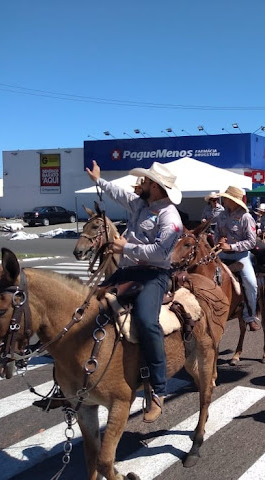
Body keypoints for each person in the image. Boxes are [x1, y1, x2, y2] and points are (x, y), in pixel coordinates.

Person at [87, 160, 183, 423]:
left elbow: (160, 253)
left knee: (145, 321)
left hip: (154, 274)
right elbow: (119, 195)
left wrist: (124, 247)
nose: (139, 185)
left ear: (155, 186)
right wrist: (99, 180)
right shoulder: (141, 203)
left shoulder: (171, 218)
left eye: (144, 181)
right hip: (128, 270)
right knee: (90, 301)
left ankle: (158, 391)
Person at [215, 185, 261, 332]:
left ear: (233, 200)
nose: (224, 200)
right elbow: (216, 233)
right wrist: (218, 240)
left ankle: (250, 315)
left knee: (251, 283)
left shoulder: (246, 217)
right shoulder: (221, 215)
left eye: (227, 198)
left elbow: (251, 241)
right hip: (221, 254)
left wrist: (232, 247)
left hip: (241, 256)